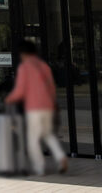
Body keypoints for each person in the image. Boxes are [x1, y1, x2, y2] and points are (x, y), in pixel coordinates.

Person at [5, 40, 68, 176]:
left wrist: (9, 98)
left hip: (34, 108)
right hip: (48, 106)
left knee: (32, 139)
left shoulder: (25, 67)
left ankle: (39, 168)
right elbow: (52, 87)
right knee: (47, 134)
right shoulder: (44, 66)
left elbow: (20, 90)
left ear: (23, 53)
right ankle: (60, 156)